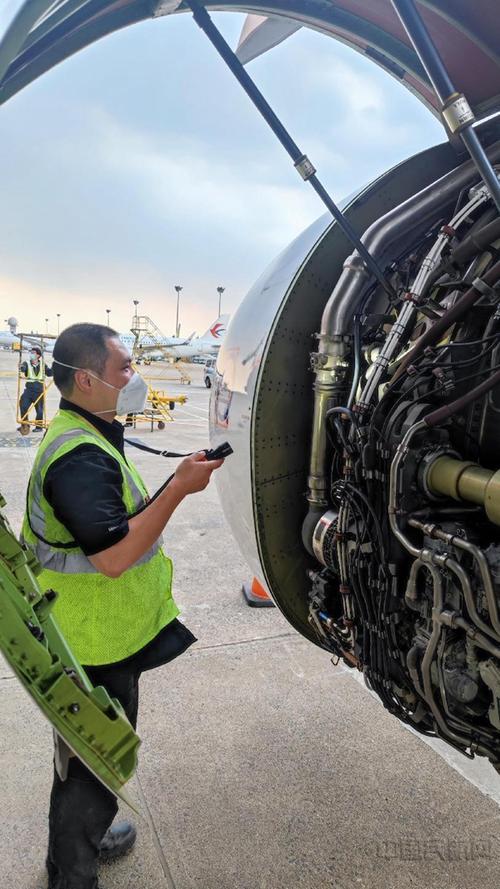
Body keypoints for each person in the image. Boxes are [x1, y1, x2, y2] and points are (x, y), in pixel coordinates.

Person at [21, 322, 223, 889]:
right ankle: (72, 874)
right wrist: (178, 489)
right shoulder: (77, 458)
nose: (135, 377)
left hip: (91, 631)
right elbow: (112, 557)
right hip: (91, 642)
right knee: (94, 761)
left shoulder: (87, 431)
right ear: (87, 381)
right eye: (125, 368)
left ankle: (80, 845)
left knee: (83, 754)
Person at [18, 345, 53, 431]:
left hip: (39, 390)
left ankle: (39, 427)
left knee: (39, 410)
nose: (31, 354)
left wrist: (55, 368)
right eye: (31, 352)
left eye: (33, 353)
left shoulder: (43, 364)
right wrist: (21, 367)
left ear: (38, 355)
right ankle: (25, 425)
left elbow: (49, 373)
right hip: (29, 391)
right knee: (23, 405)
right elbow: (23, 368)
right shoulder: (26, 363)